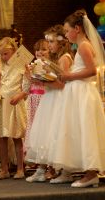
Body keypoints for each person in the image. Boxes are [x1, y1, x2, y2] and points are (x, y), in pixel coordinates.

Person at [54, 9, 105, 187]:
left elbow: (92, 71)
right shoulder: (80, 46)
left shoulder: (84, 46)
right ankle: (83, 170)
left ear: (78, 28)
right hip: (78, 92)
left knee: (87, 130)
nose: (66, 35)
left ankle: (91, 173)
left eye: (67, 31)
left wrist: (68, 76)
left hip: (84, 93)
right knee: (78, 130)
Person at [25, 24, 73, 183]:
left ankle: (62, 171)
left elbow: (62, 84)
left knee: (54, 134)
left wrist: (42, 80)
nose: (49, 45)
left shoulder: (65, 59)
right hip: (50, 98)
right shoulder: (55, 59)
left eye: (51, 42)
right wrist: (35, 78)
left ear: (61, 42)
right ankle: (41, 169)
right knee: (44, 134)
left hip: (58, 99)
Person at [0, 37, 28, 180]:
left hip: (15, 102)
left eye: (6, 53)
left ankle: (20, 168)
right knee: (2, 138)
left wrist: (20, 96)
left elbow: (26, 87)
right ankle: (4, 169)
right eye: (1, 54)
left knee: (17, 137)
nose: (3, 57)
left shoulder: (21, 64)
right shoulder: (0, 66)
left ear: (14, 51)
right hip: (2, 103)